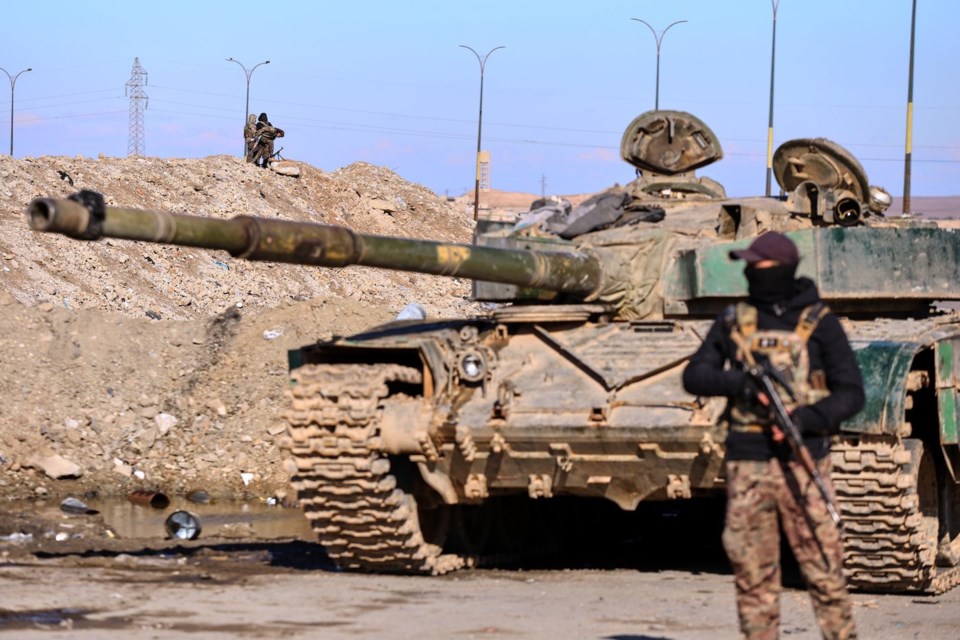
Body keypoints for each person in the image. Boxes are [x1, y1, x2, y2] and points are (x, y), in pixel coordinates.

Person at [682, 231, 864, 640]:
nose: (750, 272)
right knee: (753, 579)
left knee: (826, 572)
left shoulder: (820, 322)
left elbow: (852, 392)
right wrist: (742, 384)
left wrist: (807, 418)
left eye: (757, 265)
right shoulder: (733, 321)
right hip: (747, 464)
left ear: (781, 269)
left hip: (803, 461)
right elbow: (695, 375)